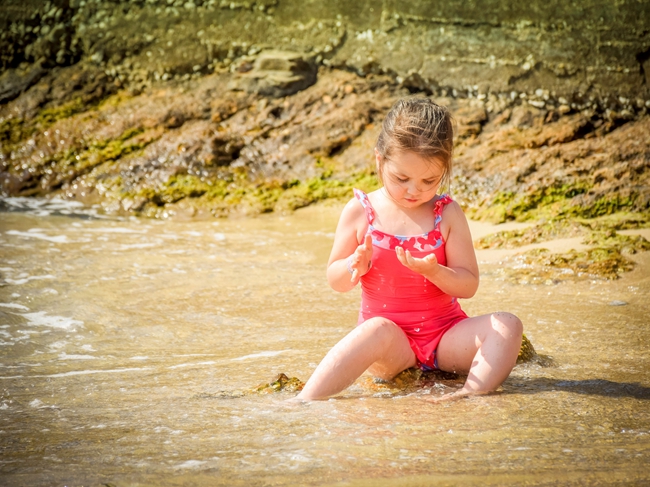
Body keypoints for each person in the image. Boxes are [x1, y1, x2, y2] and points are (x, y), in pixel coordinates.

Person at [296, 97, 523, 402]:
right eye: (401, 178)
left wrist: (435, 272)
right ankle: (304, 400)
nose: (414, 190)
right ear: (380, 161)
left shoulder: (447, 213)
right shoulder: (361, 211)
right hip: (391, 348)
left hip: (446, 338)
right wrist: (354, 265)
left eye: (429, 180)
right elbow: (335, 280)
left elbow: (468, 284)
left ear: (444, 169)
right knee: (376, 329)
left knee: (508, 325)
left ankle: (473, 391)